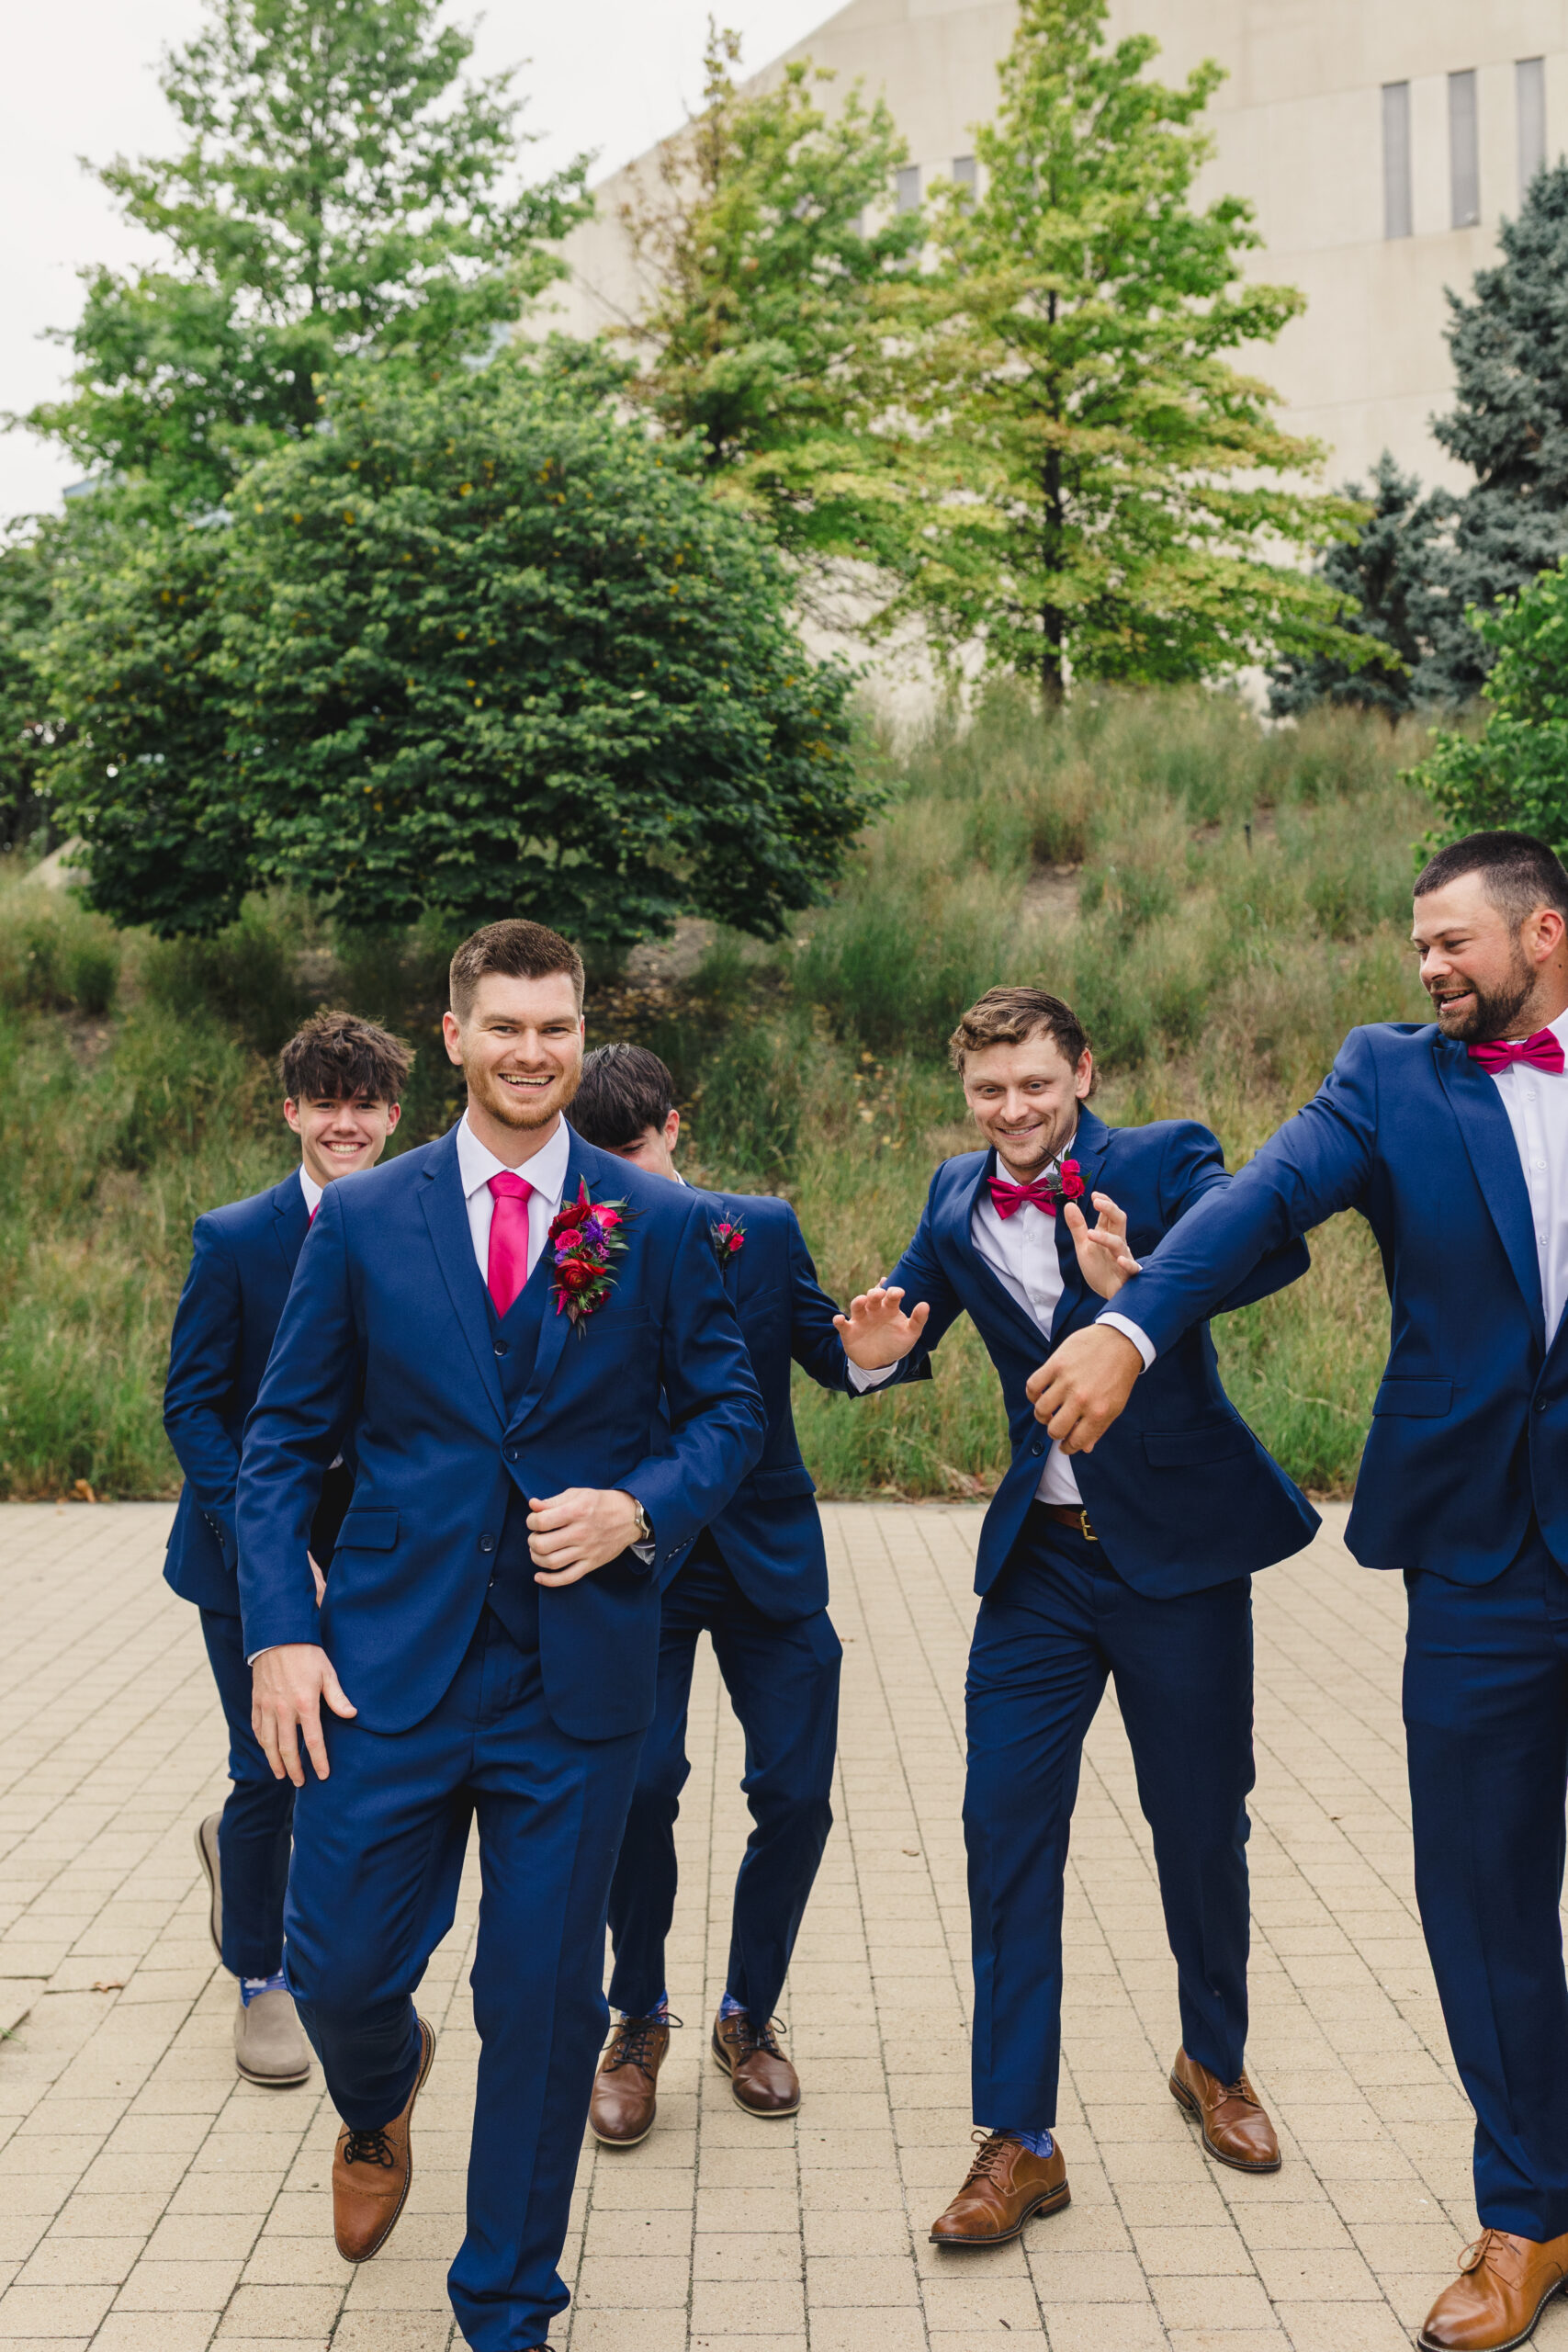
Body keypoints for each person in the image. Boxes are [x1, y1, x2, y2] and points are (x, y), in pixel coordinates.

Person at [1029, 832, 1568, 2352]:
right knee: (1481, 1896)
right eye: (1414, 947)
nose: (1426, 967)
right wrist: (1132, 1325)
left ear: (1541, 932)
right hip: (1475, 1556)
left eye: (1452, 943)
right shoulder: (1387, 1077)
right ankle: (1528, 2213)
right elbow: (1263, 1205)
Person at [235, 921, 764, 2352]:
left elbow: (729, 1413)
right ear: (454, 1034)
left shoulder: (652, 1223)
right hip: (387, 1669)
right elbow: (278, 1448)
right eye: (506, 1026)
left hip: (573, 1676)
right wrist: (282, 1634)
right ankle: (380, 2085)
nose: (533, 1051)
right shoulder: (359, 1220)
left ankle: (507, 2308)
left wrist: (637, 1510)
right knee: (337, 1968)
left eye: (558, 1026)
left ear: (583, 1033)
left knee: (538, 2004)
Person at [834, 985, 1315, 2250]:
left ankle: (1212, 2058)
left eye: (1034, 1085)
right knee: (1001, 1828)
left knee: (1198, 1826)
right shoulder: (952, 1193)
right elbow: (896, 1324)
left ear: (1081, 1073)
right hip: (1038, 1565)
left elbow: (1271, 1248)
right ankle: (1018, 2140)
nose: (1012, 1111)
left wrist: (1141, 1285)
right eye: (988, 1091)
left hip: (1176, 1560)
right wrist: (870, 1348)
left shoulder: (1161, 1158)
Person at [570, 1042, 863, 2144]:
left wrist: (870, 1355)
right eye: (603, 1158)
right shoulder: (572, 1244)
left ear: (675, 1129)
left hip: (766, 1557)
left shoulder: (762, 1227)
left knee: (794, 1792)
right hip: (634, 1560)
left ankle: (749, 2011)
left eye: (638, 1149)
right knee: (636, 1789)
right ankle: (635, 2016)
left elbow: (829, 1356)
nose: (626, 1177)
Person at [164, 1009, 409, 2087]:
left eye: (365, 1104)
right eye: (326, 1103)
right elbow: (193, 1408)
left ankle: (318, 1932)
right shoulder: (234, 1237)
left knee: (346, 1758)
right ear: (291, 1111)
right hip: (243, 1547)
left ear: (395, 1115)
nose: (345, 1123)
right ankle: (260, 1973)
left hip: (376, 1551)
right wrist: (266, 1544)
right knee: (273, 1761)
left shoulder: (419, 1224)